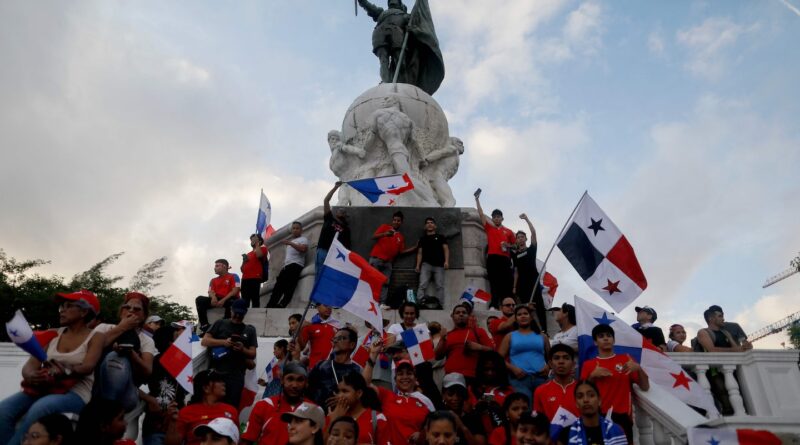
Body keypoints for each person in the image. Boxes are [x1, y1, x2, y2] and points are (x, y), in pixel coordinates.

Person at [0, 290, 104, 445]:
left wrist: (65, 370)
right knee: (3, 411)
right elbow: (30, 365)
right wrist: (31, 376)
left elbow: (88, 366)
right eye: (61, 306)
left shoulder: (96, 336)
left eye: (69, 306)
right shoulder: (53, 334)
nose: (62, 310)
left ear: (83, 312)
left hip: (75, 393)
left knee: (41, 408)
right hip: (44, 388)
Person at [580, 324, 649, 444]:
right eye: (601, 336)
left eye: (609, 336)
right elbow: (581, 393)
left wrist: (638, 368)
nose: (606, 338)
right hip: (597, 417)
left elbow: (645, 386)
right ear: (595, 342)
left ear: (614, 340)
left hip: (622, 418)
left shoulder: (626, 360)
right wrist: (592, 376)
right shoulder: (589, 365)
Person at [93, 292, 157, 412]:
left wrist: (131, 354)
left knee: (117, 357)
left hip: (127, 393)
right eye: (127, 307)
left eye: (137, 309)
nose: (131, 311)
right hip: (98, 385)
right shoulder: (104, 328)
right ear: (121, 311)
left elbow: (148, 370)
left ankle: (108, 411)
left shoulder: (147, 340)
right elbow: (92, 348)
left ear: (143, 316)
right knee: (113, 356)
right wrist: (123, 327)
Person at [363, 344, 434, 445]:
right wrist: (373, 355)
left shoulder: (425, 401)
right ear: (395, 380)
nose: (405, 377)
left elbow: (435, 428)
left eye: (409, 373)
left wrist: (422, 434)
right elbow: (364, 385)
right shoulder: (387, 396)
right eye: (400, 374)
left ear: (416, 380)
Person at [201, 299, 257, 408]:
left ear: (245, 313)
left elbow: (252, 353)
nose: (237, 316)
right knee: (212, 407)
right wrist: (224, 342)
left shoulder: (249, 330)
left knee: (231, 408)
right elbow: (205, 341)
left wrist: (242, 349)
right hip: (216, 373)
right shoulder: (220, 323)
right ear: (231, 310)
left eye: (240, 314)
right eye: (235, 313)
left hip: (236, 376)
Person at [242, 362, 315, 445]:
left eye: (300, 380)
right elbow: (247, 441)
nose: (295, 385)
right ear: (282, 380)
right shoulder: (263, 406)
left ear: (306, 383)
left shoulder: (314, 410)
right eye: (290, 379)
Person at [696, 306, 751, 415]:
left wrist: (744, 348)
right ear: (711, 319)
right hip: (714, 372)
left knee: (740, 399)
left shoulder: (726, 333)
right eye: (720, 316)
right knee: (724, 399)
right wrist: (735, 349)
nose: (723, 319)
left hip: (731, 369)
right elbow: (711, 350)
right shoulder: (703, 332)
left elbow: (737, 350)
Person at [142, 322, 189, 445]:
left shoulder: (182, 364)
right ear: (169, 342)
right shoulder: (155, 362)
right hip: (155, 426)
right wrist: (150, 399)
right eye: (176, 338)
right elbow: (131, 384)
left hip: (176, 426)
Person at [165, 369, 239, 445]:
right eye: (218, 380)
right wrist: (173, 423)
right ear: (206, 388)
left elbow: (236, 440)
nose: (223, 383)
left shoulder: (232, 410)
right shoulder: (186, 412)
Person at [499, 304, 550, 400]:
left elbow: (551, 357)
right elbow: (498, 358)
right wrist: (513, 368)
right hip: (519, 380)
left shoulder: (542, 336)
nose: (522, 316)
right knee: (525, 410)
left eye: (526, 313)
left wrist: (548, 366)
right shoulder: (509, 336)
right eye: (519, 314)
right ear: (515, 319)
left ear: (531, 317)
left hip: (541, 378)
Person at [474, 190, 515, 309]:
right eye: (494, 217)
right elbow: (481, 215)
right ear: (492, 219)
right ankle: (494, 304)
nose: (496, 219)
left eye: (498, 217)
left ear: (502, 218)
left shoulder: (509, 232)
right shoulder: (489, 228)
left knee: (506, 283)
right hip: (492, 258)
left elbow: (516, 246)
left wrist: (508, 245)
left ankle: (508, 305)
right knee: (493, 282)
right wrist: (477, 200)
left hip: (505, 259)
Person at [434, 304, 494, 382]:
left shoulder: (478, 331)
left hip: (473, 376)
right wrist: (442, 339)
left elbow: (493, 351)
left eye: (464, 312)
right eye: (457, 313)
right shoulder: (448, 335)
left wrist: (479, 347)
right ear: (452, 316)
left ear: (468, 316)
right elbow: (437, 356)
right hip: (451, 377)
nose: (461, 314)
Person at [368, 211, 416, 308]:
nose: (396, 222)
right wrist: (385, 234)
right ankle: (371, 302)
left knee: (385, 283)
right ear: (392, 220)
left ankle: (382, 303)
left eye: (398, 221)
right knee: (373, 281)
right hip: (377, 259)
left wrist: (414, 248)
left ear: (401, 222)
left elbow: (401, 252)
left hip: (388, 263)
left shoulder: (400, 237)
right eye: (394, 220)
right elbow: (373, 236)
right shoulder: (385, 227)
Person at [556, 380, 627, 445]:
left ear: (599, 400)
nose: (585, 400)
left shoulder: (616, 430)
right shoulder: (566, 434)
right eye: (580, 396)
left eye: (591, 395)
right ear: (576, 403)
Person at [308, 327, 362, 411]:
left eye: (341, 338)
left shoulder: (357, 370)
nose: (336, 341)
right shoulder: (321, 366)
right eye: (335, 339)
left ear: (352, 344)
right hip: (317, 415)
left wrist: (343, 400)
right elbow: (307, 389)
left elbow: (359, 398)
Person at [326, 372, 388, 445]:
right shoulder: (333, 415)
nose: (339, 395)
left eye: (345, 391)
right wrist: (333, 421)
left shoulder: (377, 418)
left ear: (359, 393)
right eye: (338, 391)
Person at [512, 214, 544, 325]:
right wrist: (515, 287)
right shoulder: (515, 255)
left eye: (522, 237)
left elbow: (533, 233)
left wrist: (527, 219)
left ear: (525, 239)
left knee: (538, 304)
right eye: (518, 237)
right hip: (522, 283)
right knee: (525, 307)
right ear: (516, 240)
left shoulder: (531, 249)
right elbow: (516, 271)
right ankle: (528, 327)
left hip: (533, 280)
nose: (520, 239)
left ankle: (543, 329)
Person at [267, 221, 309, 308]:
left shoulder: (303, 239)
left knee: (290, 286)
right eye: (293, 228)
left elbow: (303, 249)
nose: (295, 230)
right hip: (286, 266)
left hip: (296, 265)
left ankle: (283, 304)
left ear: (301, 230)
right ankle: (271, 305)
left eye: (297, 228)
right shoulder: (292, 241)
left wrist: (290, 243)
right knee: (278, 287)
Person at [533, 344, 579, 421]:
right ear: (550, 364)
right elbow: (537, 421)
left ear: (573, 364)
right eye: (557, 358)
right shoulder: (540, 391)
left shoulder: (582, 389)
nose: (561, 361)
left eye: (566, 358)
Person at [317, 182, 352, 282]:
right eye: (340, 210)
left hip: (335, 255)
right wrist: (335, 187)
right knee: (320, 276)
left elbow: (347, 247)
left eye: (344, 211)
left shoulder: (346, 229)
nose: (341, 211)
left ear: (346, 216)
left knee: (329, 279)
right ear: (336, 213)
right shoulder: (329, 218)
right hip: (323, 250)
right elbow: (326, 200)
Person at [195, 259, 241, 332]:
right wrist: (213, 297)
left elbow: (236, 290)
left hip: (229, 299)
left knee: (233, 301)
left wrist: (223, 300)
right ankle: (204, 325)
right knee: (199, 299)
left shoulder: (234, 276)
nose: (214, 268)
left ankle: (226, 325)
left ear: (224, 266)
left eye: (217, 266)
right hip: (217, 299)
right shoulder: (213, 280)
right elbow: (210, 291)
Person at [440, 373, 484, 445]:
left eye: (459, 394)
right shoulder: (436, 416)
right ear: (443, 395)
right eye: (450, 394)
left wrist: (462, 426)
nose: (455, 398)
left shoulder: (473, 418)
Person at [415, 217, 449, 308]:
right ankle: (419, 303)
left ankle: (440, 305)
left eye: (431, 222)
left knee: (440, 286)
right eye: (427, 223)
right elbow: (420, 253)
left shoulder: (441, 237)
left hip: (439, 265)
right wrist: (418, 265)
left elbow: (446, 249)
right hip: (426, 265)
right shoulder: (422, 239)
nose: (429, 224)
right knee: (422, 285)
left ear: (435, 226)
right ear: (425, 226)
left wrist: (446, 261)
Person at [298, 304, 339, 369]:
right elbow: (301, 347)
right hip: (315, 367)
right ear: (317, 307)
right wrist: (300, 331)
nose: (328, 308)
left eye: (330, 306)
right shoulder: (309, 325)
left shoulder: (337, 325)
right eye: (325, 305)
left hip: (333, 367)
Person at [241, 233, 268, 308]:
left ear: (259, 240)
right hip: (245, 278)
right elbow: (242, 269)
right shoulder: (249, 253)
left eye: (254, 239)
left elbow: (259, 255)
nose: (252, 241)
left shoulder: (263, 248)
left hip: (255, 277)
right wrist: (244, 261)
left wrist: (257, 244)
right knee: (244, 298)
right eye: (251, 240)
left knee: (254, 297)